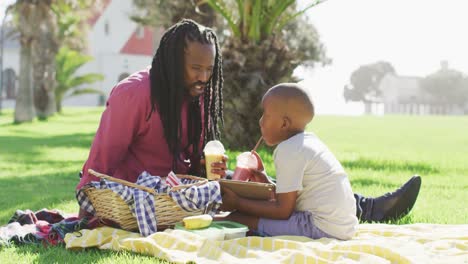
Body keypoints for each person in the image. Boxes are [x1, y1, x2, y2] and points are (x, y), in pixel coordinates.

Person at [76, 19, 421, 222]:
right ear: (170, 63)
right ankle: (363, 208)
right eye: (195, 68)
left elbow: (191, 161)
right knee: (260, 199)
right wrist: (89, 213)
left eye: (209, 70)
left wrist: (214, 167)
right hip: (139, 196)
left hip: (185, 188)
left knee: (267, 185)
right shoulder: (134, 95)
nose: (203, 78)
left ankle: (365, 206)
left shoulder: (198, 95)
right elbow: (100, 162)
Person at [219, 83, 417, 239]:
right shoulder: (307, 142)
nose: (260, 121)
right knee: (244, 216)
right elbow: (289, 199)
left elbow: (282, 210)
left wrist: (237, 202)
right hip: (341, 225)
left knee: (235, 218)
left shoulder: (288, 150)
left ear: (284, 123)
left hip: (321, 227)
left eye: (266, 115)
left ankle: (257, 235)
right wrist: (263, 178)